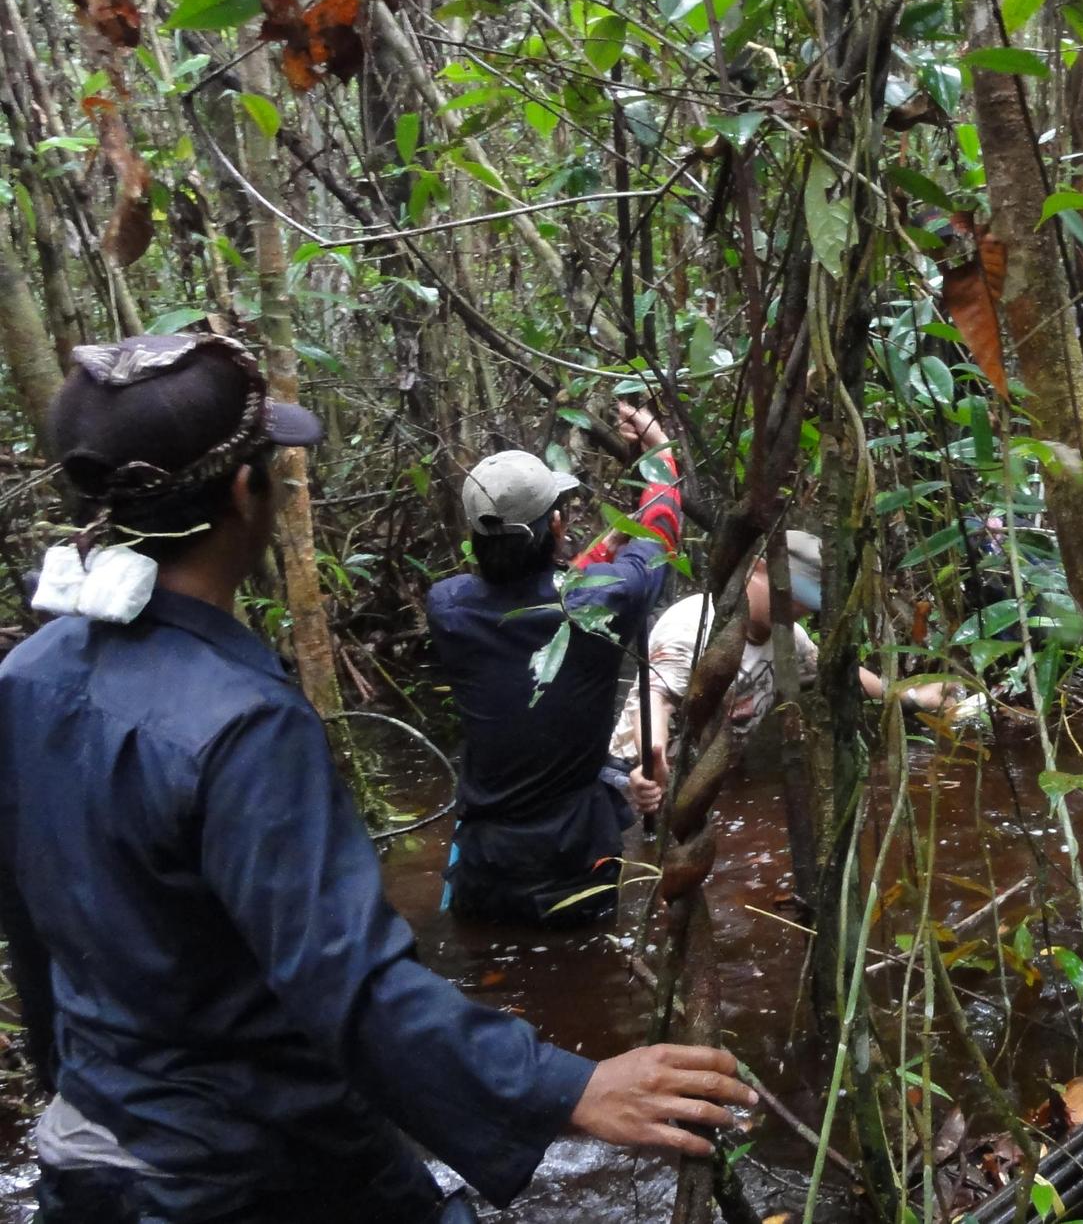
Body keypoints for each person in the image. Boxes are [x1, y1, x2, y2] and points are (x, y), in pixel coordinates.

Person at [0, 335, 754, 1222]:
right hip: (249, 1169)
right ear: (246, 491)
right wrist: (567, 1087)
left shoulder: (26, 676)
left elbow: (33, 932)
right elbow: (348, 984)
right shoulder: (244, 721)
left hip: (90, 1146)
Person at [427, 403, 682, 927]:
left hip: (485, 864)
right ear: (558, 526)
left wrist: (602, 550)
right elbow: (658, 536)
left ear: (476, 538)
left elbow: (542, 598)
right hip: (574, 858)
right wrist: (659, 451)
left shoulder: (447, 607)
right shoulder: (606, 598)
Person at [610, 531, 959, 777]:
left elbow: (835, 671)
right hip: (635, 774)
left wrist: (911, 698)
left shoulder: (789, 638)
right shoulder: (693, 624)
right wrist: (653, 758)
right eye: (793, 594)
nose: (799, 608)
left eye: (807, 602)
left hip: (707, 777)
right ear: (757, 569)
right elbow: (655, 699)